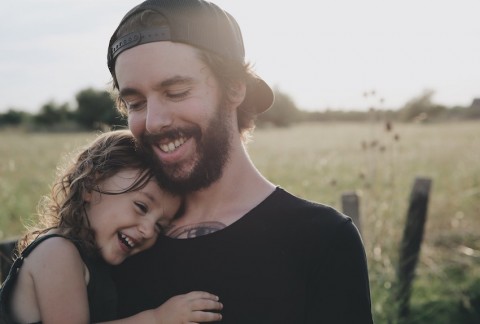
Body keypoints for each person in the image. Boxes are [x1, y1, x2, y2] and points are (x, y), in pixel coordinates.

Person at [108, 1, 374, 323]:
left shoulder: (321, 239)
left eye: (176, 91)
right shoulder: (120, 236)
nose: (153, 122)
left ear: (235, 89)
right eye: (135, 103)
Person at [0, 130, 223, 323]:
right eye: (141, 207)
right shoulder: (57, 252)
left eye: (159, 227)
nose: (147, 230)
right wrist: (157, 319)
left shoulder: (93, 260)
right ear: (90, 185)